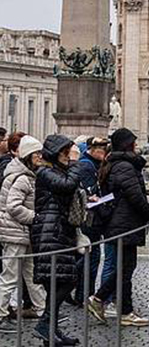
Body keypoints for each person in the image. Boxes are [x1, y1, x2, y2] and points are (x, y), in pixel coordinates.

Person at [87, 128, 149, 328]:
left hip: (121, 222)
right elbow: (135, 195)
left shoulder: (116, 164)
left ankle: (124, 310)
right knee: (125, 268)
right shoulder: (124, 166)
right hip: (124, 223)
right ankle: (100, 299)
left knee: (125, 267)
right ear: (128, 145)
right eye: (133, 142)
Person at [30, 134, 82, 345]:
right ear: (55, 153)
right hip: (50, 232)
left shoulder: (55, 171)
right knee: (68, 279)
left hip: (58, 231)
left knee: (57, 281)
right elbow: (68, 186)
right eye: (64, 152)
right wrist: (76, 164)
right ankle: (45, 324)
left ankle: (51, 331)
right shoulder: (45, 172)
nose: (67, 156)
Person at [0, 136, 46, 331]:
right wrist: (35, 217)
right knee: (9, 275)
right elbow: (13, 207)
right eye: (37, 153)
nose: (40, 157)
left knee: (31, 273)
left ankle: (43, 309)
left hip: (21, 232)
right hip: (15, 233)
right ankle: (0, 314)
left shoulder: (26, 175)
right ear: (28, 155)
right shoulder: (22, 178)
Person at [72, 137, 109, 307]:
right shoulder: (87, 165)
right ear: (92, 149)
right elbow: (89, 192)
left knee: (89, 256)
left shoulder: (91, 163)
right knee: (90, 257)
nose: (104, 152)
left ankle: (81, 292)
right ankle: (83, 294)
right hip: (90, 219)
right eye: (101, 149)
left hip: (90, 218)